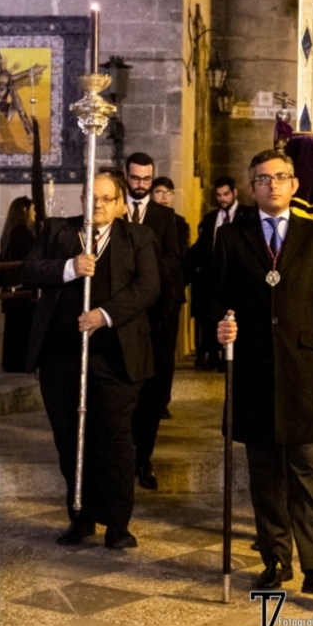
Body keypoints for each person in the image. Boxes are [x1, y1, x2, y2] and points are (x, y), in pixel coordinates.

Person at [213, 149, 313, 595]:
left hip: (304, 370)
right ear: (252, 188)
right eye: (263, 179)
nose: (273, 185)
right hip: (253, 370)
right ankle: (274, 559)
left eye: (281, 177)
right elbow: (217, 297)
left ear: (294, 185)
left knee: (308, 472)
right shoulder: (233, 237)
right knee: (266, 475)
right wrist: (222, 324)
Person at [22, 174, 160, 548]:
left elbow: (148, 287)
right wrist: (69, 268)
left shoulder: (138, 239)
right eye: (91, 197)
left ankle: (118, 524)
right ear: (81, 198)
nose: (97, 204)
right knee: (70, 439)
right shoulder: (56, 232)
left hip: (115, 359)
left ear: (119, 204)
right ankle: (80, 517)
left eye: (106, 198)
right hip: (61, 358)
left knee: (113, 440)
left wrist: (105, 315)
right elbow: (30, 269)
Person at [124, 152, 180, 491]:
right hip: (122, 314)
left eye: (147, 179)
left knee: (152, 392)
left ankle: (143, 458)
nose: (142, 185)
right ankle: (120, 459)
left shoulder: (164, 215)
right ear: (126, 176)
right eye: (136, 179)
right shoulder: (117, 211)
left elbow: (173, 260)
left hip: (155, 314)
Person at [188, 176, 252, 369]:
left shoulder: (248, 215)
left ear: (235, 193)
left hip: (238, 277)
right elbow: (202, 250)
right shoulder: (209, 219)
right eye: (218, 195)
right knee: (211, 316)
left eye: (226, 194)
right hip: (211, 278)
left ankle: (231, 358)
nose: (222, 199)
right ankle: (211, 354)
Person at [150, 175, 190, 418]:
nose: (163, 198)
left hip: (170, 294)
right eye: (159, 193)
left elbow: (178, 255)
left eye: (168, 193)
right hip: (147, 292)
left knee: (165, 352)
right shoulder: (143, 219)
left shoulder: (179, 223)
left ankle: (161, 400)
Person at [0, 196, 37, 372]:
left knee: (14, 330)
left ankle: (12, 363)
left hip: (12, 289)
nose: (35, 213)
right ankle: (20, 365)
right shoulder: (21, 231)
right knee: (20, 331)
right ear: (25, 211)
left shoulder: (11, 230)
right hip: (20, 290)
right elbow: (30, 255)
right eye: (32, 210)